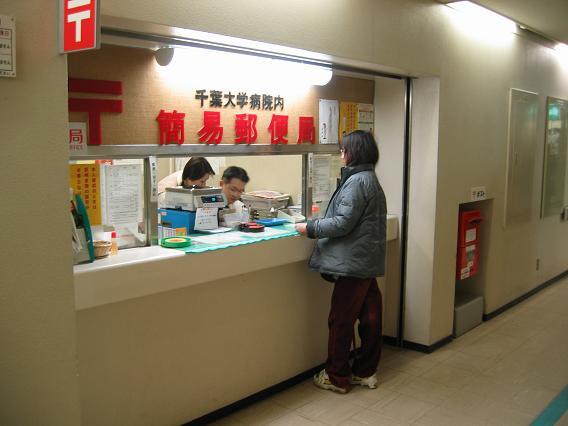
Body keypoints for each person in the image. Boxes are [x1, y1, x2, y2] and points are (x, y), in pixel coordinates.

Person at [295, 130, 386, 394]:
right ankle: (365, 371)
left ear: (354, 152)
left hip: (353, 263)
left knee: (341, 319)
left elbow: (343, 223)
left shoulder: (357, 182)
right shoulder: (368, 178)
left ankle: (336, 376)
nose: (341, 154)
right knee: (370, 317)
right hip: (365, 260)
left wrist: (309, 228)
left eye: (344, 150)